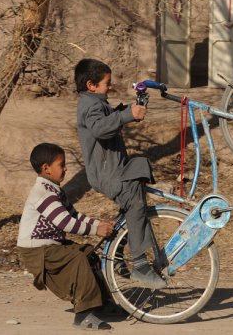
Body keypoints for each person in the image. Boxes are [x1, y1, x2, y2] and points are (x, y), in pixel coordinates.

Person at [74, 58, 166, 289]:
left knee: (136, 192)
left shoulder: (95, 102)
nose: (110, 86)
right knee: (135, 206)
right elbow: (99, 128)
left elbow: (106, 121)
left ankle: (116, 255)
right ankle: (141, 265)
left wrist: (128, 111)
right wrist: (127, 116)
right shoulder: (90, 105)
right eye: (106, 83)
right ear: (90, 85)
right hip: (108, 173)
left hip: (114, 169)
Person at [17, 142, 115, 330]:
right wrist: (95, 231)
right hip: (37, 250)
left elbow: (74, 215)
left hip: (51, 245)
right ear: (46, 169)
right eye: (61, 165)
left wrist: (98, 225)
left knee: (89, 253)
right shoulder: (43, 193)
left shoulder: (55, 190)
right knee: (78, 259)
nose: (65, 168)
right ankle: (83, 315)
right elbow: (65, 223)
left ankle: (103, 303)